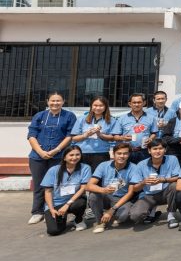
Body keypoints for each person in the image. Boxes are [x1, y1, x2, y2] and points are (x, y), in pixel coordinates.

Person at [27, 92, 77, 224]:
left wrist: (56, 150)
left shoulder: (69, 116)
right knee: (39, 185)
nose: (55, 103)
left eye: (58, 101)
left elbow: (70, 136)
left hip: (59, 156)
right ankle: (37, 212)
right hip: (37, 157)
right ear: (47, 102)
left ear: (63, 102)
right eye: (52, 101)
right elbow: (31, 135)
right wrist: (40, 151)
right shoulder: (39, 115)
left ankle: (51, 210)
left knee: (57, 184)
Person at [86, 143, 138, 233]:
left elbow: (130, 193)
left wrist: (112, 210)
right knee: (93, 196)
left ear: (129, 154)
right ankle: (100, 222)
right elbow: (89, 186)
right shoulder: (103, 165)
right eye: (119, 153)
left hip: (121, 198)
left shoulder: (134, 168)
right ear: (113, 154)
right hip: (106, 196)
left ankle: (111, 214)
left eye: (125, 153)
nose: (122, 156)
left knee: (123, 216)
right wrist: (103, 190)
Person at [40, 145, 91, 235]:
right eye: (71, 155)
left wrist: (67, 204)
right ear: (64, 157)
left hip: (73, 201)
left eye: (77, 154)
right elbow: (47, 192)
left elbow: (83, 188)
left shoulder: (85, 168)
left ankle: (78, 220)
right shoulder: (53, 170)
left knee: (81, 202)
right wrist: (51, 209)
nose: (74, 157)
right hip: (56, 204)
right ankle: (62, 217)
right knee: (53, 231)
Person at [129, 139, 180, 229]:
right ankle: (152, 209)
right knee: (135, 215)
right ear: (149, 151)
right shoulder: (141, 165)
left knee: (175, 185)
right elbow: (135, 188)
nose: (157, 151)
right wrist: (143, 182)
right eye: (155, 149)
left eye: (160, 148)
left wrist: (164, 180)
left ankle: (171, 215)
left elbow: (178, 178)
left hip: (166, 192)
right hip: (149, 195)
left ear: (165, 150)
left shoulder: (172, 159)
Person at [71, 96, 116, 171]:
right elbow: (74, 138)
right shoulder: (82, 119)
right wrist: (85, 135)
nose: (98, 108)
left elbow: (112, 138)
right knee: (82, 175)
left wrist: (100, 134)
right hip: (82, 152)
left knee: (98, 176)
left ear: (105, 107)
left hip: (101, 153)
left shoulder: (111, 120)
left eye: (101, 106)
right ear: (91, 106)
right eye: (95, 105)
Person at [113, 93, 158, 164]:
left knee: (143, 170)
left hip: (144, 151)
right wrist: (123, 138)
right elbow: (115, 136)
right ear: (130, 104)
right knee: (127, 170)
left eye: (139, 102)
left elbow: (154, 133)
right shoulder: (121, 119)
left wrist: (150, 139)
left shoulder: (151, 118)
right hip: (127, 152)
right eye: (134, 102)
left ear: (144, 103)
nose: (136, 105)